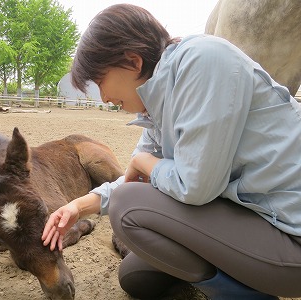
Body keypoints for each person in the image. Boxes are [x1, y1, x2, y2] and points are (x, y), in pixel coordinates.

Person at [42, 4, 301, 299]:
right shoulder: (156, 106)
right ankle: (231, 276)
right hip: (253, 218)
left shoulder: (204, 61)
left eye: (101, 82)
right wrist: (78, 207)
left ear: (133, 61)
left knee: (127, 209)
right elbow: (138, 177)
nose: (105, 98)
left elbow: (195, 186)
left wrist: (145, 162)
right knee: (136, 276)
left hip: (289, 235)